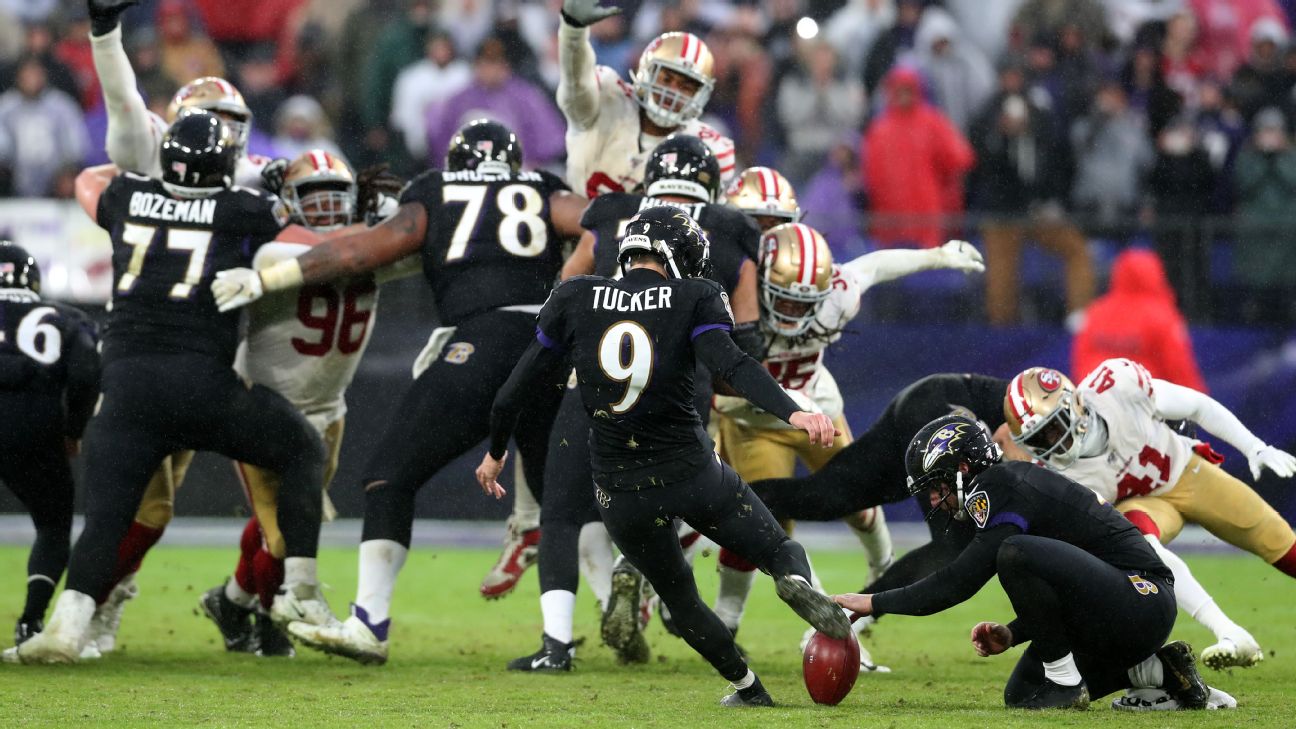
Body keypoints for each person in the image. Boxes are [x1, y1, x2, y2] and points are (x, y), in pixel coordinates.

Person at [212, 119, 588, 665]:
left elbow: (360, 253)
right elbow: (603, 224)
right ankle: (557, 644)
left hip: (485, 340)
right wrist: (569, 286)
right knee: (556, 503)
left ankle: (369, 625)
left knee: (389, 476)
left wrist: (269, 279)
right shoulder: (541, 187)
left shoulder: (434, 191)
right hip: (553, 346)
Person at [476, 206, 851, 707]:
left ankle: (747, 688)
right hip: (691, 470)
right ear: (679, 257)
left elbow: (511, 394)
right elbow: (733, 364)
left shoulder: (575, 295)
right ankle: (793, 580)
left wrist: (495, 454)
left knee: (681, 598)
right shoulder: (694, 296)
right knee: (778, 549)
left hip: (619, 489)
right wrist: (793, 412)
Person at [13, 111, 328, 665]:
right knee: (302, 448)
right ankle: (300, 594)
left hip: (127, 389)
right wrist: (275, 190)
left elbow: (94, 181)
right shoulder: (241, 210)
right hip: (203, 386)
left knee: (105, 523)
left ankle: (66, 628)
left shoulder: (127, 197)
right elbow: (304, 241)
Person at [501, 134, 762, 669]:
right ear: (711, 185)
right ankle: (651, 578)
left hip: (598, 381)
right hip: (680, 385)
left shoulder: (614, 212)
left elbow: (565, 285)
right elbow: (748, 330)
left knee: (562, 509)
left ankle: (555, 646)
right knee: (691, 495)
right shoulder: (732, 228)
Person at [706, 230, 984, 660]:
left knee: (855, 498)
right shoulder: (733, 299)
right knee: (764, 520)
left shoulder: (836, 295)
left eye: (805, 302)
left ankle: (880, 568)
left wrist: (938, 255)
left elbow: (872, 267)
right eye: (786, 299)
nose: (795, 311)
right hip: (752, 419)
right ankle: (810, 622)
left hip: (817, 410)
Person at [833, 414, 1216, 711]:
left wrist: (874, 602)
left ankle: (1066, 684)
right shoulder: (1006, 484)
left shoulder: (996, 486)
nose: (934, 499)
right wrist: (1016, 632)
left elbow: (960, 582)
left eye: (937, 485)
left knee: (1013, 553)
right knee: (1022, 694)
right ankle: (1164, 672)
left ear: (963, 468)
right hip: (1120, 607)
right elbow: (1070, 581)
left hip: (1141, 596)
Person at [1005, 360, 1296, 669]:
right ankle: (1229, 632)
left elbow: (1196, 406)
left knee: (1282, 546)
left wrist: (1254, 447)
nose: (1053, 442)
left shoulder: (1117, 387)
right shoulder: (1055, 477)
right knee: (1143, 547)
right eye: (1039, 438)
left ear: (1074, 403)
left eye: (1054, 426)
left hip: (1187, 472)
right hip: (1142, 506)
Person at [0, 242, 100, 646]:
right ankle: (30, 622)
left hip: (32, 424)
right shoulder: (66, 318)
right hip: (34, 427)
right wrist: (72, 430)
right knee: (54, 525)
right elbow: (86, 375)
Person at [556, 0, 736, 198]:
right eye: (666, 79)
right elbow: (576, 82)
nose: (673, 92)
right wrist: (573, 35)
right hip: (577, 222)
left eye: (686, 86)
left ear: (701, 94)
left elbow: (709, 220)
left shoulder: (710, 148)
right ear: (645, 73)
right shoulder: (608, 94)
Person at [87, 0, 268, 187]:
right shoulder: (155, 158)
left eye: (230, 124)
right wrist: (105, 40)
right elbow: (122, 100)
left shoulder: (251, 173)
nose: (224, 135)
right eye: (214, 122)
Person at [861, 66, 974, 249]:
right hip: (890, 213)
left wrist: (944, 185)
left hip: (925, 211)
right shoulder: (880, 129)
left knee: (927, 265)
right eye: (899, 90)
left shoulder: (931, 121)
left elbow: (960, 158)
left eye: (908, 89)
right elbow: (871, 176)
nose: (903, 95)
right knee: (894, 266)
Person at [1071, 249, 1207, 391]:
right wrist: (1201, 406)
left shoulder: (1095, 313)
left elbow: (1080, 362)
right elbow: (1180, 370)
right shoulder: (1163, 317)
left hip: (1097, 402)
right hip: (1149, 405)